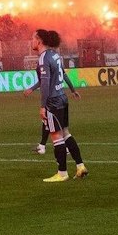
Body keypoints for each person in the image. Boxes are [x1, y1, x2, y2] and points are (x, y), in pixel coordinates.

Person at [33, 30, 86, 182]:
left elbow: (45, 84)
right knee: (66, 133)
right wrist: (72, 90)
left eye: (33, 38)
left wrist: (43, 106)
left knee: (56, 137)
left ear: (39, 41)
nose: (31, 41)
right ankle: (80, 166)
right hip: (62, 97)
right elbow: (63, 74)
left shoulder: (44, 58)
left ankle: (62, 173)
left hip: (53, 101)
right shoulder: (55, 55)